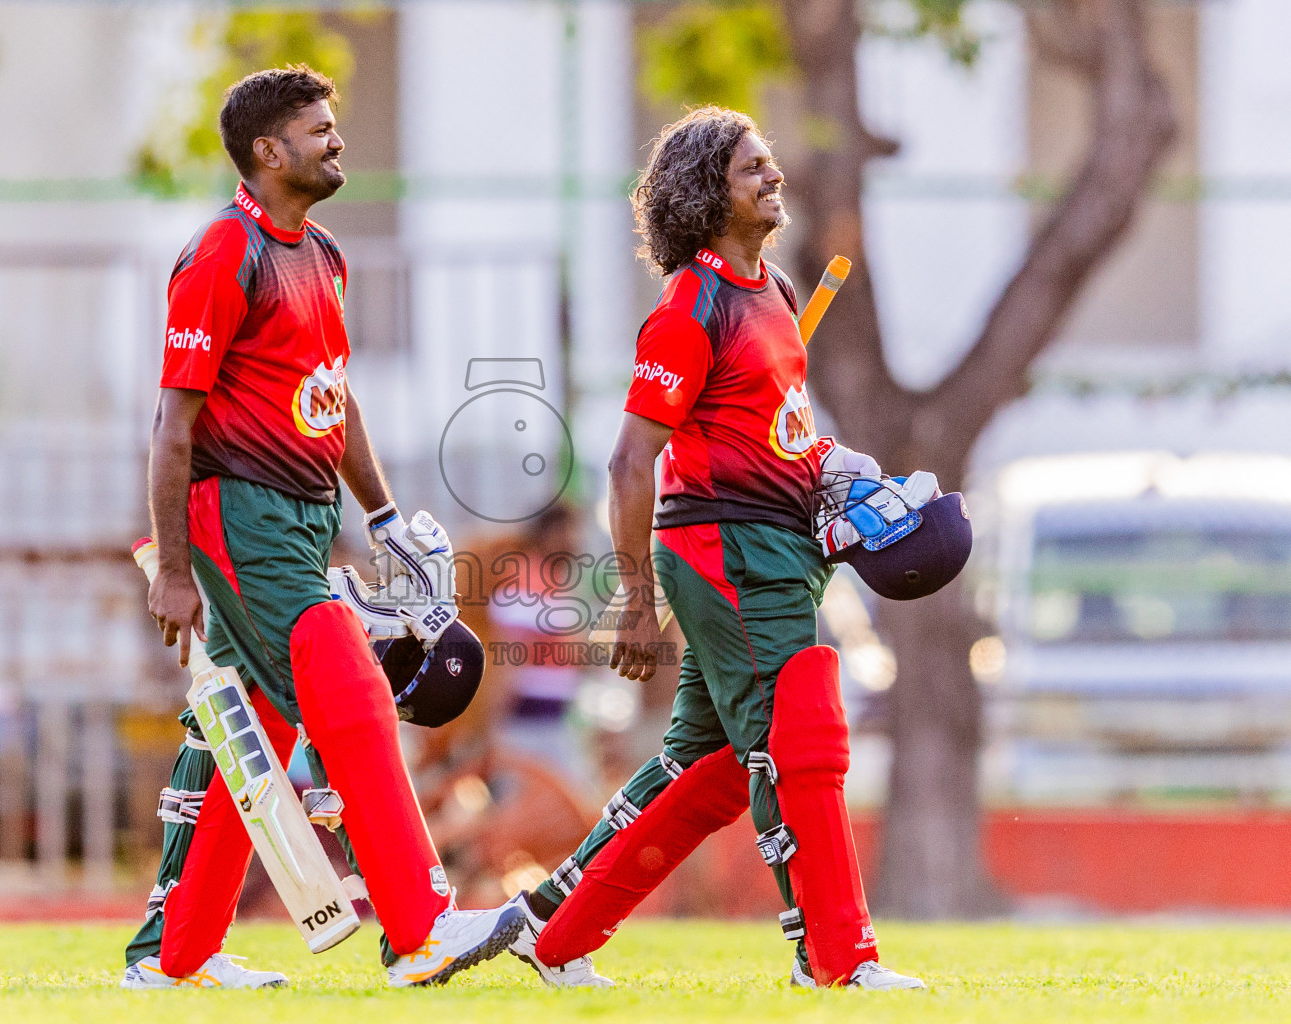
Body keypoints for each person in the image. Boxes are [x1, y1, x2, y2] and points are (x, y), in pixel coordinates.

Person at [501, 107, 926, 990]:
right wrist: (635, 601)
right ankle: (835, 957)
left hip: (782, 551)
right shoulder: (690, 307)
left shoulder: (775, 292)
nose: (774, 177)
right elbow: (630, 462)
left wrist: (832, 467)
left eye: (770, 162)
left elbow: (773, 430)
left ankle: (555, 931)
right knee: (799, 742)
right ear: (706, 194)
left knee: (710, 768)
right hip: (726, 551)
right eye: (752, 168)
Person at [123, 65, 521, 991]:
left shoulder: (324, 254)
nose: (337, 140)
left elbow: (334, 398)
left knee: (254, 725)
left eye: (334, 125)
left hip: (306, 518)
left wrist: (382, 517)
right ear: (269, 151)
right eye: (317, 130)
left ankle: (173, 957)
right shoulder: (223, 253)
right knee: (348, 682)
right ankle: (419, 929)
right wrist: (173, 570)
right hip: (239, 513)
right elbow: (172, 426)